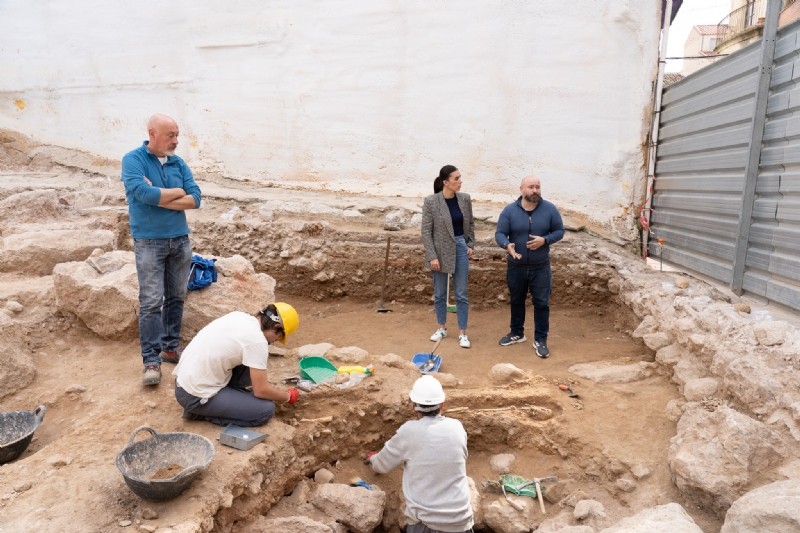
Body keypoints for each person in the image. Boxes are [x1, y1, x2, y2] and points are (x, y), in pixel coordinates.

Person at [121, 114, 202, 386]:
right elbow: (143, 195)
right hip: (149, 242)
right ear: (152, 133)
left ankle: (170, 348)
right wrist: (173, 194)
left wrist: (161, 195)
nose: (176, 141)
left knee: (177, 296)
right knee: (151, 301)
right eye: (171, 135)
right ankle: (151, 360)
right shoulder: (133, 160)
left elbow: (196, 199)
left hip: (179, 239)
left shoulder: (179, 162)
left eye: (177, 135)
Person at [366, 375, 474, 533]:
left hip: (426, 524)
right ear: (442, 405)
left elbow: (381, 465)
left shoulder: (408, 431)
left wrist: (373, 459)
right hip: (461, 522)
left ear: (413, 406)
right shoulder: (457, 427)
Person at [173, 302, 302, 426]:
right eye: (279, 337)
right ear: (276, 328)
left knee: (251, 361)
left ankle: (229, 399)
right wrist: (287, 396)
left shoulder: (239, 316)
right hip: (194, 396)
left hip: (184, 381)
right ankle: (199, 413)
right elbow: (260, 391)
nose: (275, 341)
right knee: (266, 410)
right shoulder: (257, 341)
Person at [494, 175, 564, 358]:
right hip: (516, 267)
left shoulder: (549, 209)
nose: (535, 190)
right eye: (531, 187)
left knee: (541, 303)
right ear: (522, 189)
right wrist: (506, 245)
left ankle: (541, 340)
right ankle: (517, 333)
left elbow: (559, 231)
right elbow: (500, 233)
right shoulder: (509, 211)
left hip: (540, 267)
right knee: (516, 301)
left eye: (538, 187)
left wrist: (545, 240)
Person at [421, 165, 475, 349]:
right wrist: (431, 256)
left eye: (460, 178)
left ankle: (462, 333)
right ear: (446, 182)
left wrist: (470, 244)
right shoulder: (431, 202)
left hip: (460, 247)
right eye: (456, 178)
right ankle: (442, 328)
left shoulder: (465, 199)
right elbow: (426, 231)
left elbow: (471, 223)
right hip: (439, 250)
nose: (460, 182)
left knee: (461, 293)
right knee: (440, 293)